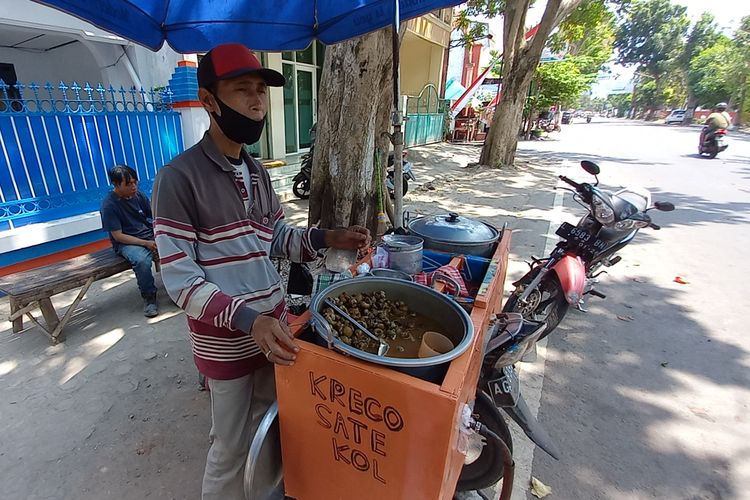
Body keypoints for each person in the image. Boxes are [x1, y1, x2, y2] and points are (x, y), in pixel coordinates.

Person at [151, 43, 370, 500]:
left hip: (274, 329)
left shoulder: (255, 172)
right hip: (228, 340)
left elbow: (274, 238)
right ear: (209, 100)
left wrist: (329, 237)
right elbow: (180, 279)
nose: (256, 101)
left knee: (273, 430)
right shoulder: (178, 178)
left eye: (261, 91)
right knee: (229, 447)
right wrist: (250, 320)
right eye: (242, 90)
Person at [100, 165, 159, 317]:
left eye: (135, 182)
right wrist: (146, 243)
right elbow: (118, 236)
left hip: (148, 235)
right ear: (115, 184)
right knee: (141, 261)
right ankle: (149, 298)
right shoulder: (109, 205)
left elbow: (153, 216)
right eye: (128, 184)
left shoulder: (139, 196)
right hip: (126, 242)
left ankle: (179, 290)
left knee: (175, 248)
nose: (133, 186)